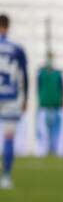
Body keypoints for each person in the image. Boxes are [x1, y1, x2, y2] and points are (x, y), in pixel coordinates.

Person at [0, 14, 28, 190]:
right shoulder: (17, 49)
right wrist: (26, 98)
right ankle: (6, 178)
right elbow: (24, 75)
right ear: (8, 27)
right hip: (10, 97)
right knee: (9, 137)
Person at [37, 53, 63, 155]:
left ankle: (52, 148)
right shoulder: (41, 73)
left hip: (54, 104)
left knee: (53, 127)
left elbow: (61, 88)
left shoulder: (58, 74)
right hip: (44, 104)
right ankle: (45, 148)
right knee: (45, 128)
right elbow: (38, 87)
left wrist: (62, 101)